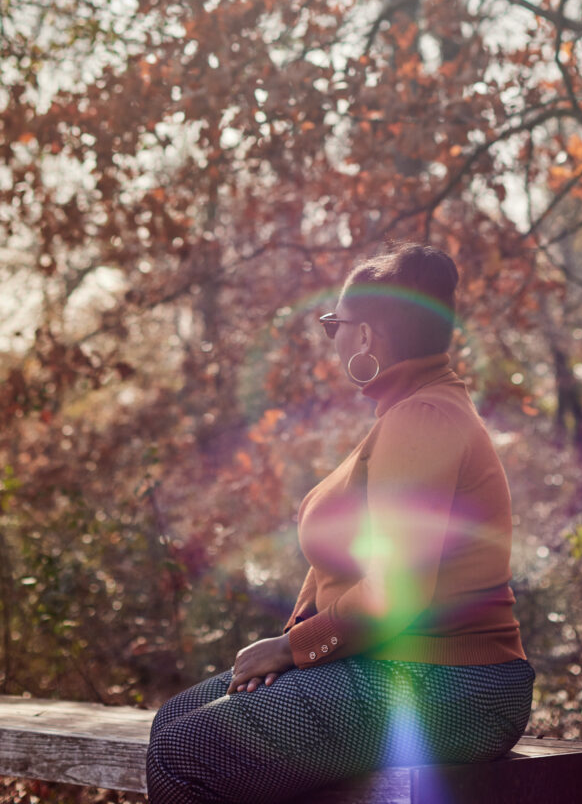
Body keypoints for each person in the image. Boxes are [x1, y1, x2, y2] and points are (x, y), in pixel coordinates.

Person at [146, 243, 534, 804]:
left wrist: (293, 651)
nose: (333, 337)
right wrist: (293, 647)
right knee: (173, 722)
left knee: (185, 754)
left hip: (454, 684)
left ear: (367, 336)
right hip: (401, 667)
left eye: (336, 324)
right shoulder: (410, 414)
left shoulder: (422, 419)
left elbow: (399, 590)